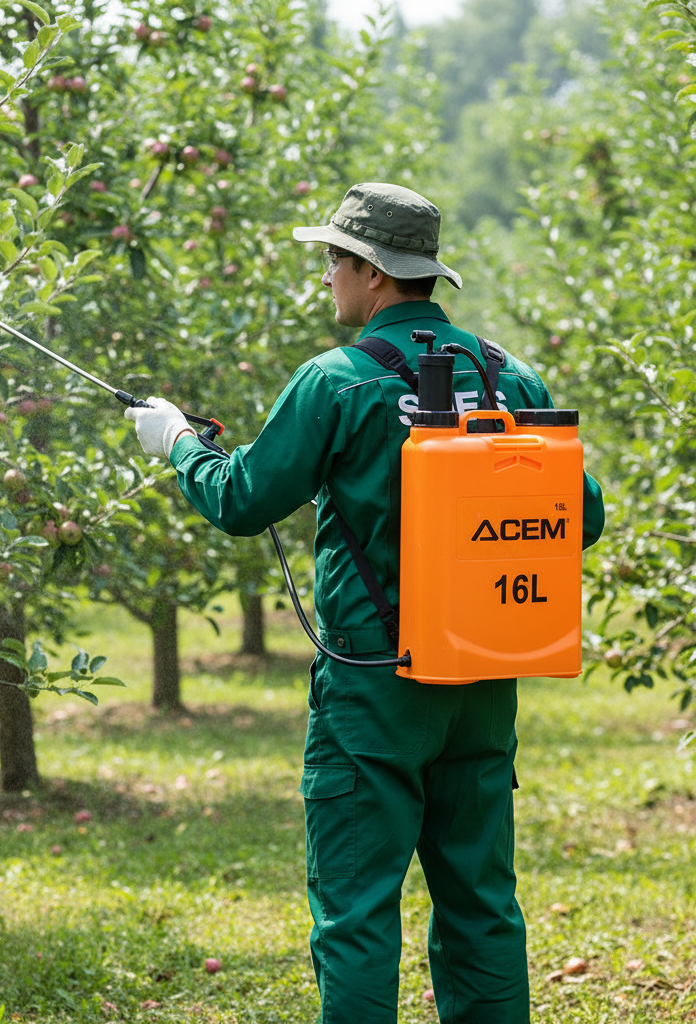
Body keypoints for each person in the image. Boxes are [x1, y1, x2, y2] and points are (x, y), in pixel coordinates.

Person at [125, 183, 604, 1023]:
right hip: (483, 680)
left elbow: (242, 500)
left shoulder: (335, 381)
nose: (326, 278)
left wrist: (176, 443)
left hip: (373, 690)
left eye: (333, 261)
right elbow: (583, 514)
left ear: (372, 272)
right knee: (483, 908)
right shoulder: (507, 375)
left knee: (355, 914)